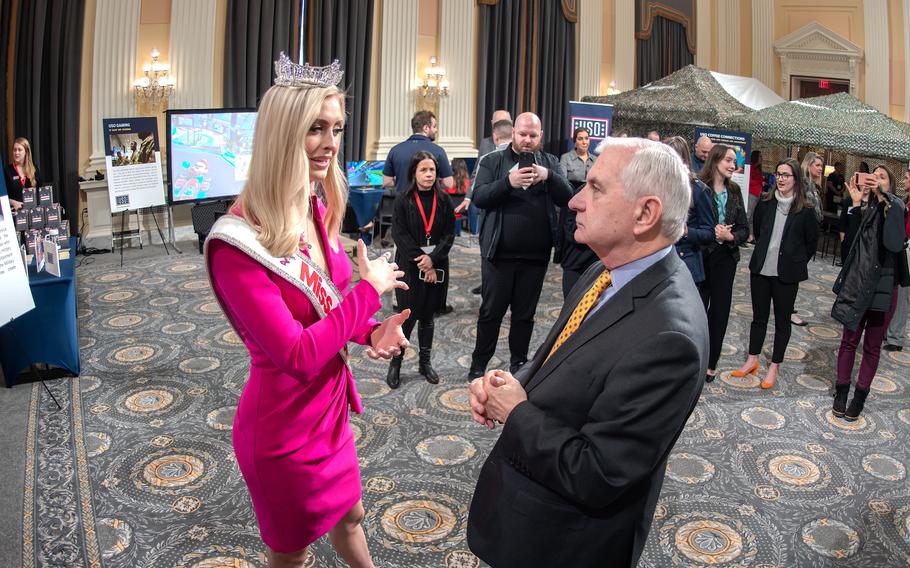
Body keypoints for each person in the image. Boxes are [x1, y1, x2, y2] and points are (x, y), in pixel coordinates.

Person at [204, 55, 409, 568]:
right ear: (282, 133)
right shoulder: (236, 245)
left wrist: (370, 333)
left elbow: (329, 312)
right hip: (281, 429)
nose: (331, 143)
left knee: (353, 515)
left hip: (328, 414)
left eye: (336, 128)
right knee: (292, 555)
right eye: (315, 128)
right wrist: (369, 292)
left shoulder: (315, 207)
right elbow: (297, 352)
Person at [467, 137, 708, 568]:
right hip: (527, 512)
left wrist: (517, 412)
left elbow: (599, 473)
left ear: (645, 213)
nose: (575, 200)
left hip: (561, 545)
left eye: (595, 188)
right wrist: (511, 384)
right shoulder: (604, 269)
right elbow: (560, 356)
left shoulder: (671, 338)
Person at [468, 112, 573, 379]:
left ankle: (518, 362)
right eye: (523, 134)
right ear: (513, 133)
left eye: (533, 135)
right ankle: (479, 364)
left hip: (535, 256)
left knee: (525, 315)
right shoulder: (493, 160)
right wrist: (508, 183)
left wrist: (549, 175)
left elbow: (567, 198)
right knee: (491, 313)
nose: (527, 140)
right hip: (499, 254)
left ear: (540, 137)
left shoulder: (549, 162)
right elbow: (479, 197)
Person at [731, 158, 819, 388]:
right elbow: (758, 231)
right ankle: (752, 359)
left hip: (787, 274)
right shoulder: (765, 203)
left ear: (796, 179)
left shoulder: (806, 210)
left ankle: (774, 366)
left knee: (782, 321)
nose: (780, 179)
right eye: (778, 174)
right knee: (758, 318)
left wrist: (793, 260)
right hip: (761, 269)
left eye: (786, 175)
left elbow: (811, 244)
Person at [831, 167, 909, 421]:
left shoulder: (895, 208)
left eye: (882, 177)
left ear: (890, 186)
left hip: (884, 289)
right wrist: (855, 204)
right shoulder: (865, 210)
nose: (875, 180)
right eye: (872, 176)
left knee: (872, 347)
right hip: (857, 285)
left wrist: (884, 194)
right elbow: (848, 248)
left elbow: (894, 242)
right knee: (848, 340)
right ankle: (841, 391)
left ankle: (859, 397)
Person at [386, 151, 455, 389]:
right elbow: (399, 234)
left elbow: (449, 234)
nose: (428, 174)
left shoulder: (444, 200)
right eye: (423, 170)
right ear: (414, 173)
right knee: (407, 318)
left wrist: (433, 259)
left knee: (428, 317)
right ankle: (396, 364)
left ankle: (424, 364)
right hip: (409, 266)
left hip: (437, 266)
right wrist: (421, 258)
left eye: (432, 170)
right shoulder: (403, 200)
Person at [698, 144, 749, 382]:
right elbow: (689, 222)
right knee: (697, 309)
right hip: (701, 257)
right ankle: (694, 358)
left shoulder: (736, 191)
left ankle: (711, 362)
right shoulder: (699, 188)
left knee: (719, 313)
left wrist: (730, 236)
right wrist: (711, 232)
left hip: (726, 259)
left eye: (734, 161)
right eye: (729, 160)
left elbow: (744, 228)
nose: (733, 165)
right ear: (716, 159)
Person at [664, 136, 714, 287]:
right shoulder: (655, 186)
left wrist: (686, 232)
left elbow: (709, 233)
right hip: (658, 263)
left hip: (685, 263)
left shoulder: (699, 190)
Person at [556, 127, 598, 296]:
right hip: (571, 204)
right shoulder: (566, 158)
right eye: (580, 138)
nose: (584, 142)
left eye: (587, 138)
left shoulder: (596, 160)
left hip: (593, 205)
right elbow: (562, 181)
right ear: (575, 141)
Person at [382, 110, 454, 194]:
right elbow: (448, 183)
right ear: (426, 128)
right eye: (434, 126)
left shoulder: (395, 150)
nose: (436, 130)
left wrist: (401, 182)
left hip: (402, 203)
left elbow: (386, 182)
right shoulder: (438, 151)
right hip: (428, 204)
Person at [884, 169, 910, 351]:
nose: (904, 180)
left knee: (903, 294)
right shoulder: (906, 200)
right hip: (902, 246)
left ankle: (896, 338)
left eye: (907, 178)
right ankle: (891, 332)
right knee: (898, 292)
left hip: (908, 249)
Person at [3, 137, 39, 211]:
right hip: (15, 212)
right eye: (14, 150)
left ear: (26, 152)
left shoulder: (34, 168)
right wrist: (13, 202)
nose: (16, 153)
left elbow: (40, 191)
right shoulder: (7, 170)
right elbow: (2, 196)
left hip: (33, 212)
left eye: (19, 150)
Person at [747, 150, 765, 243]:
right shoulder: (751, 168)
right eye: (760, 156)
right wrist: (759, 181)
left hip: (757, 194)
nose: (761, 159)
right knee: (749, 214)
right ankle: (746, 235)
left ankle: (750, 235)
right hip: (752, 193)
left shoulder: (758, 169)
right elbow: (749, 181)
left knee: (752, 215)